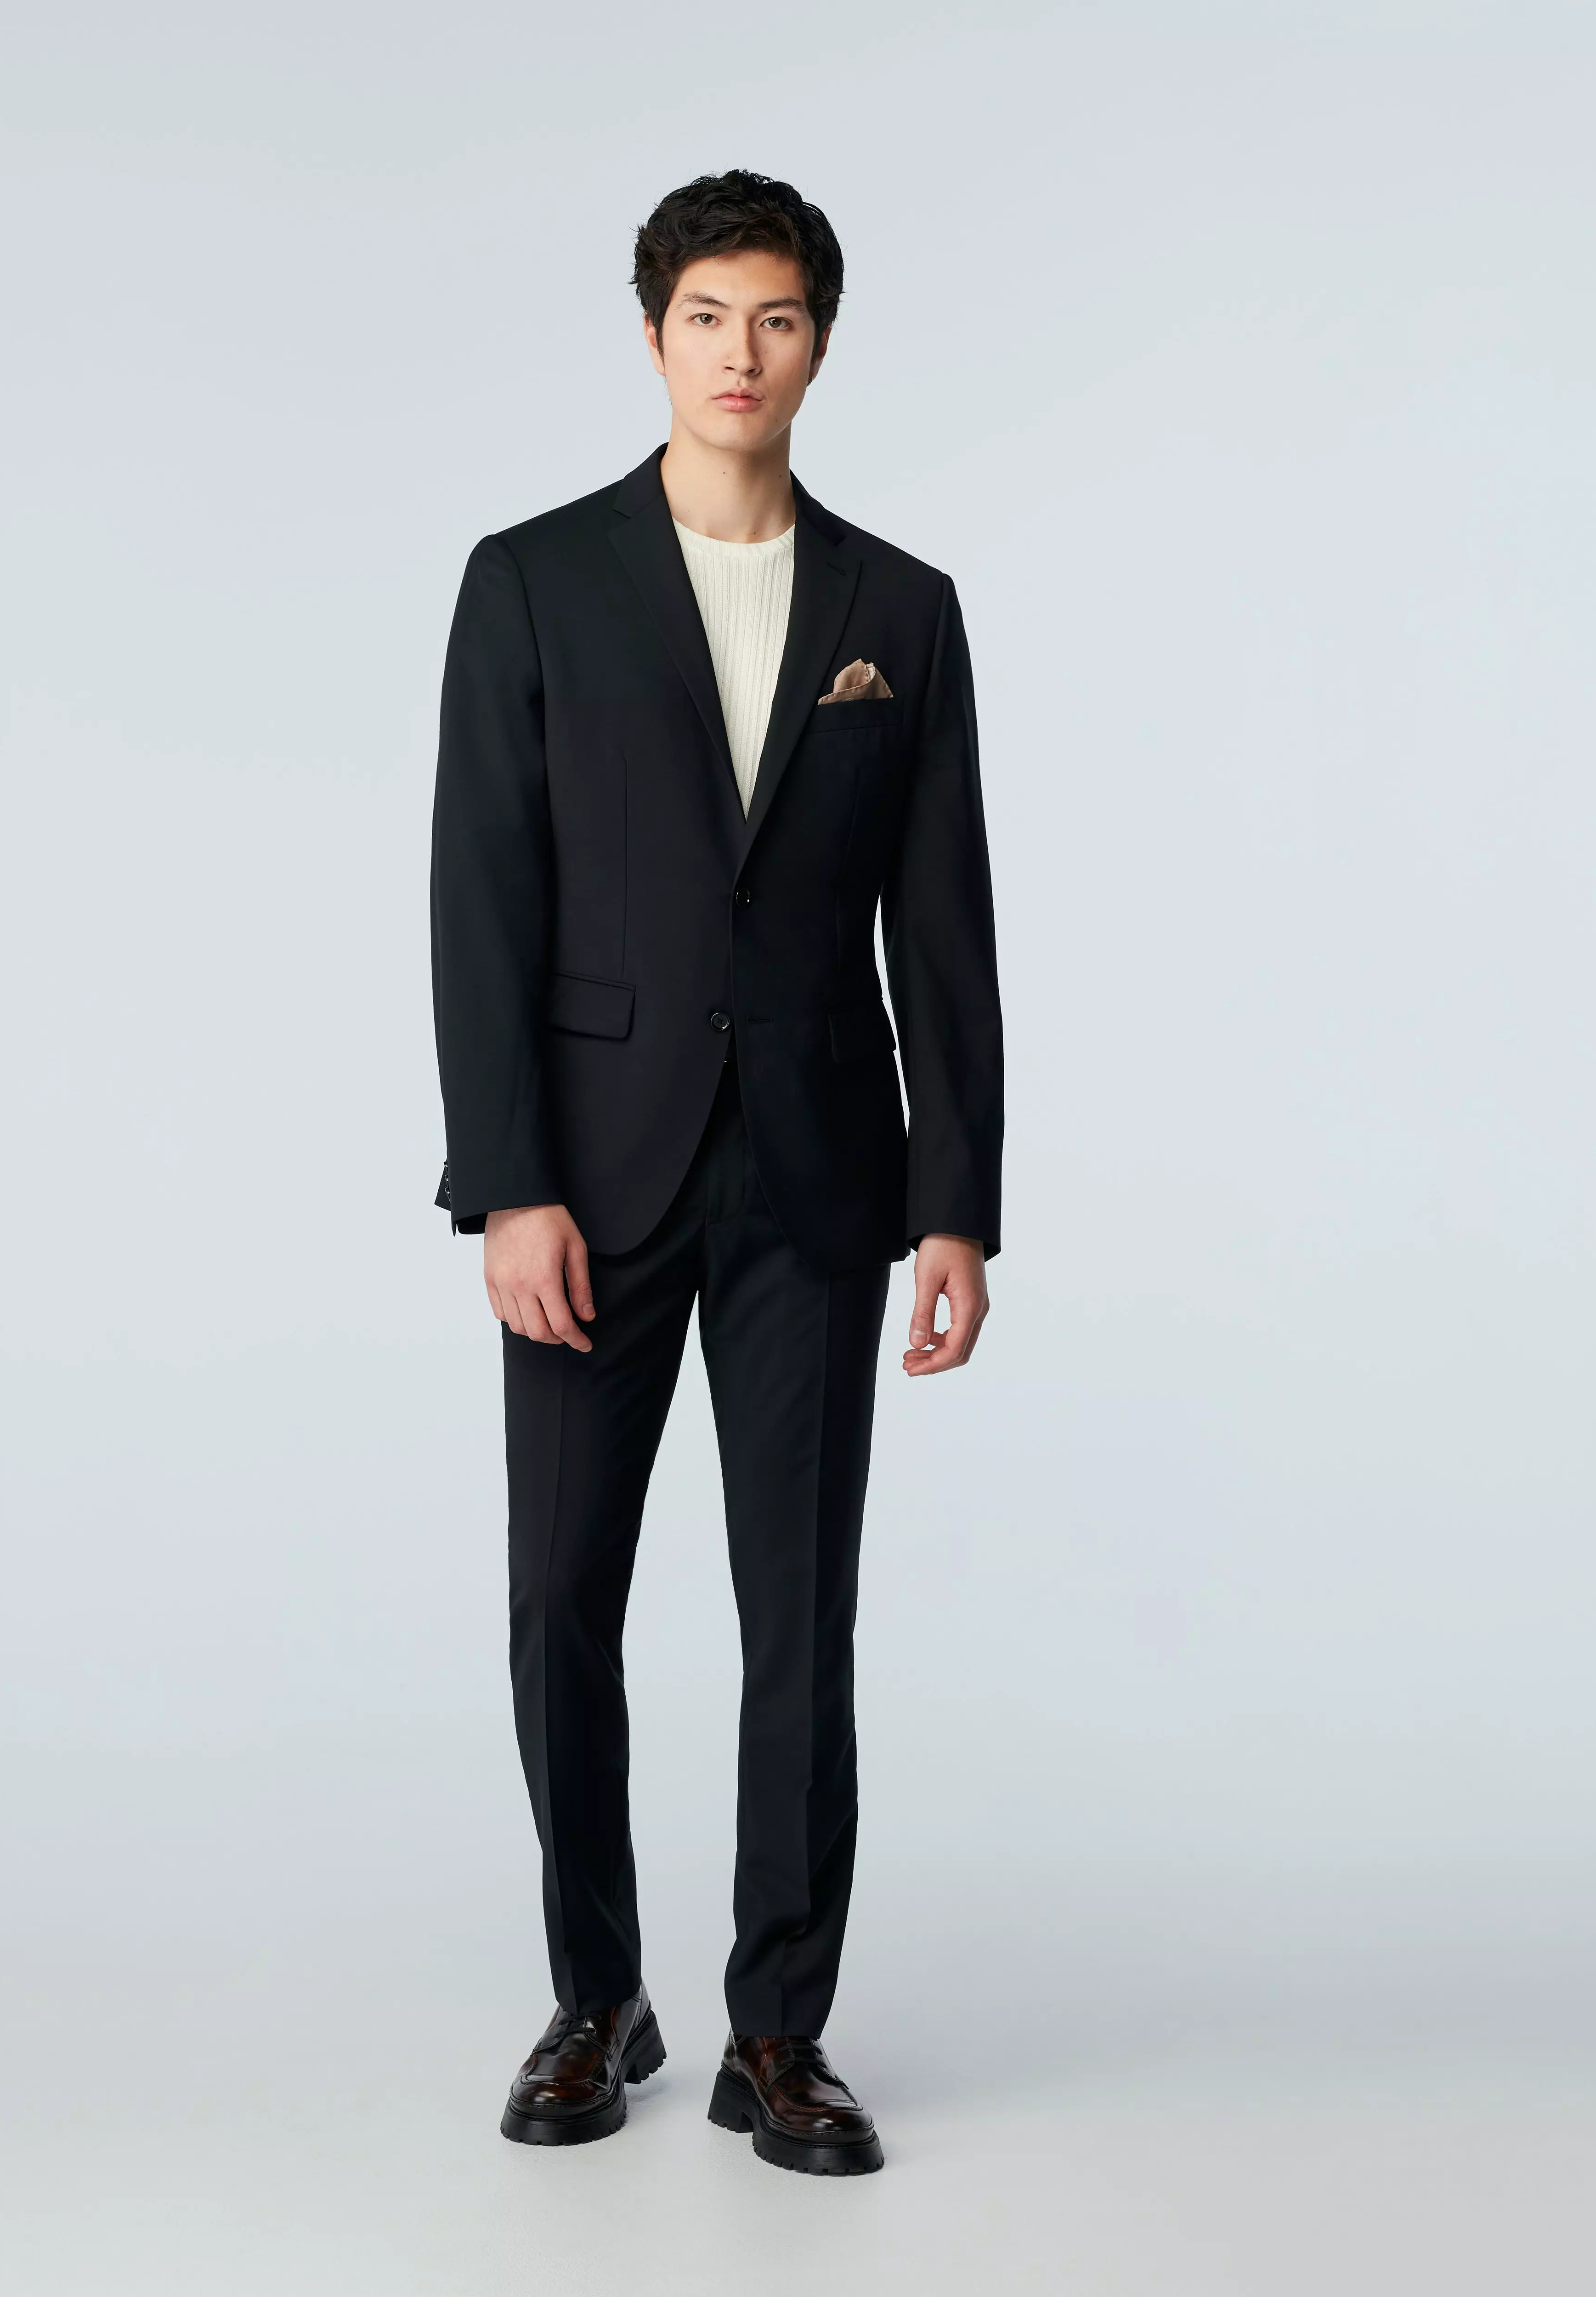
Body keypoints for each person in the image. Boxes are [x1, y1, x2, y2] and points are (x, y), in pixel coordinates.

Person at [428, 169, 1004, 2178]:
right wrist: (508, 1181)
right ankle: (597, 1993)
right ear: (653, 334)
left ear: (818, 343)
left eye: (774, 317)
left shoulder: (898, 610)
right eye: (704, 316)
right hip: (587, 1185)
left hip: (821, 1182)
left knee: (799, 1618)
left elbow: (945, 929)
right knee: (558, 1602)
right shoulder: (532, 580)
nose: (738, 353)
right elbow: (482, 901)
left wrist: (955, 1202)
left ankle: (779, 2028)